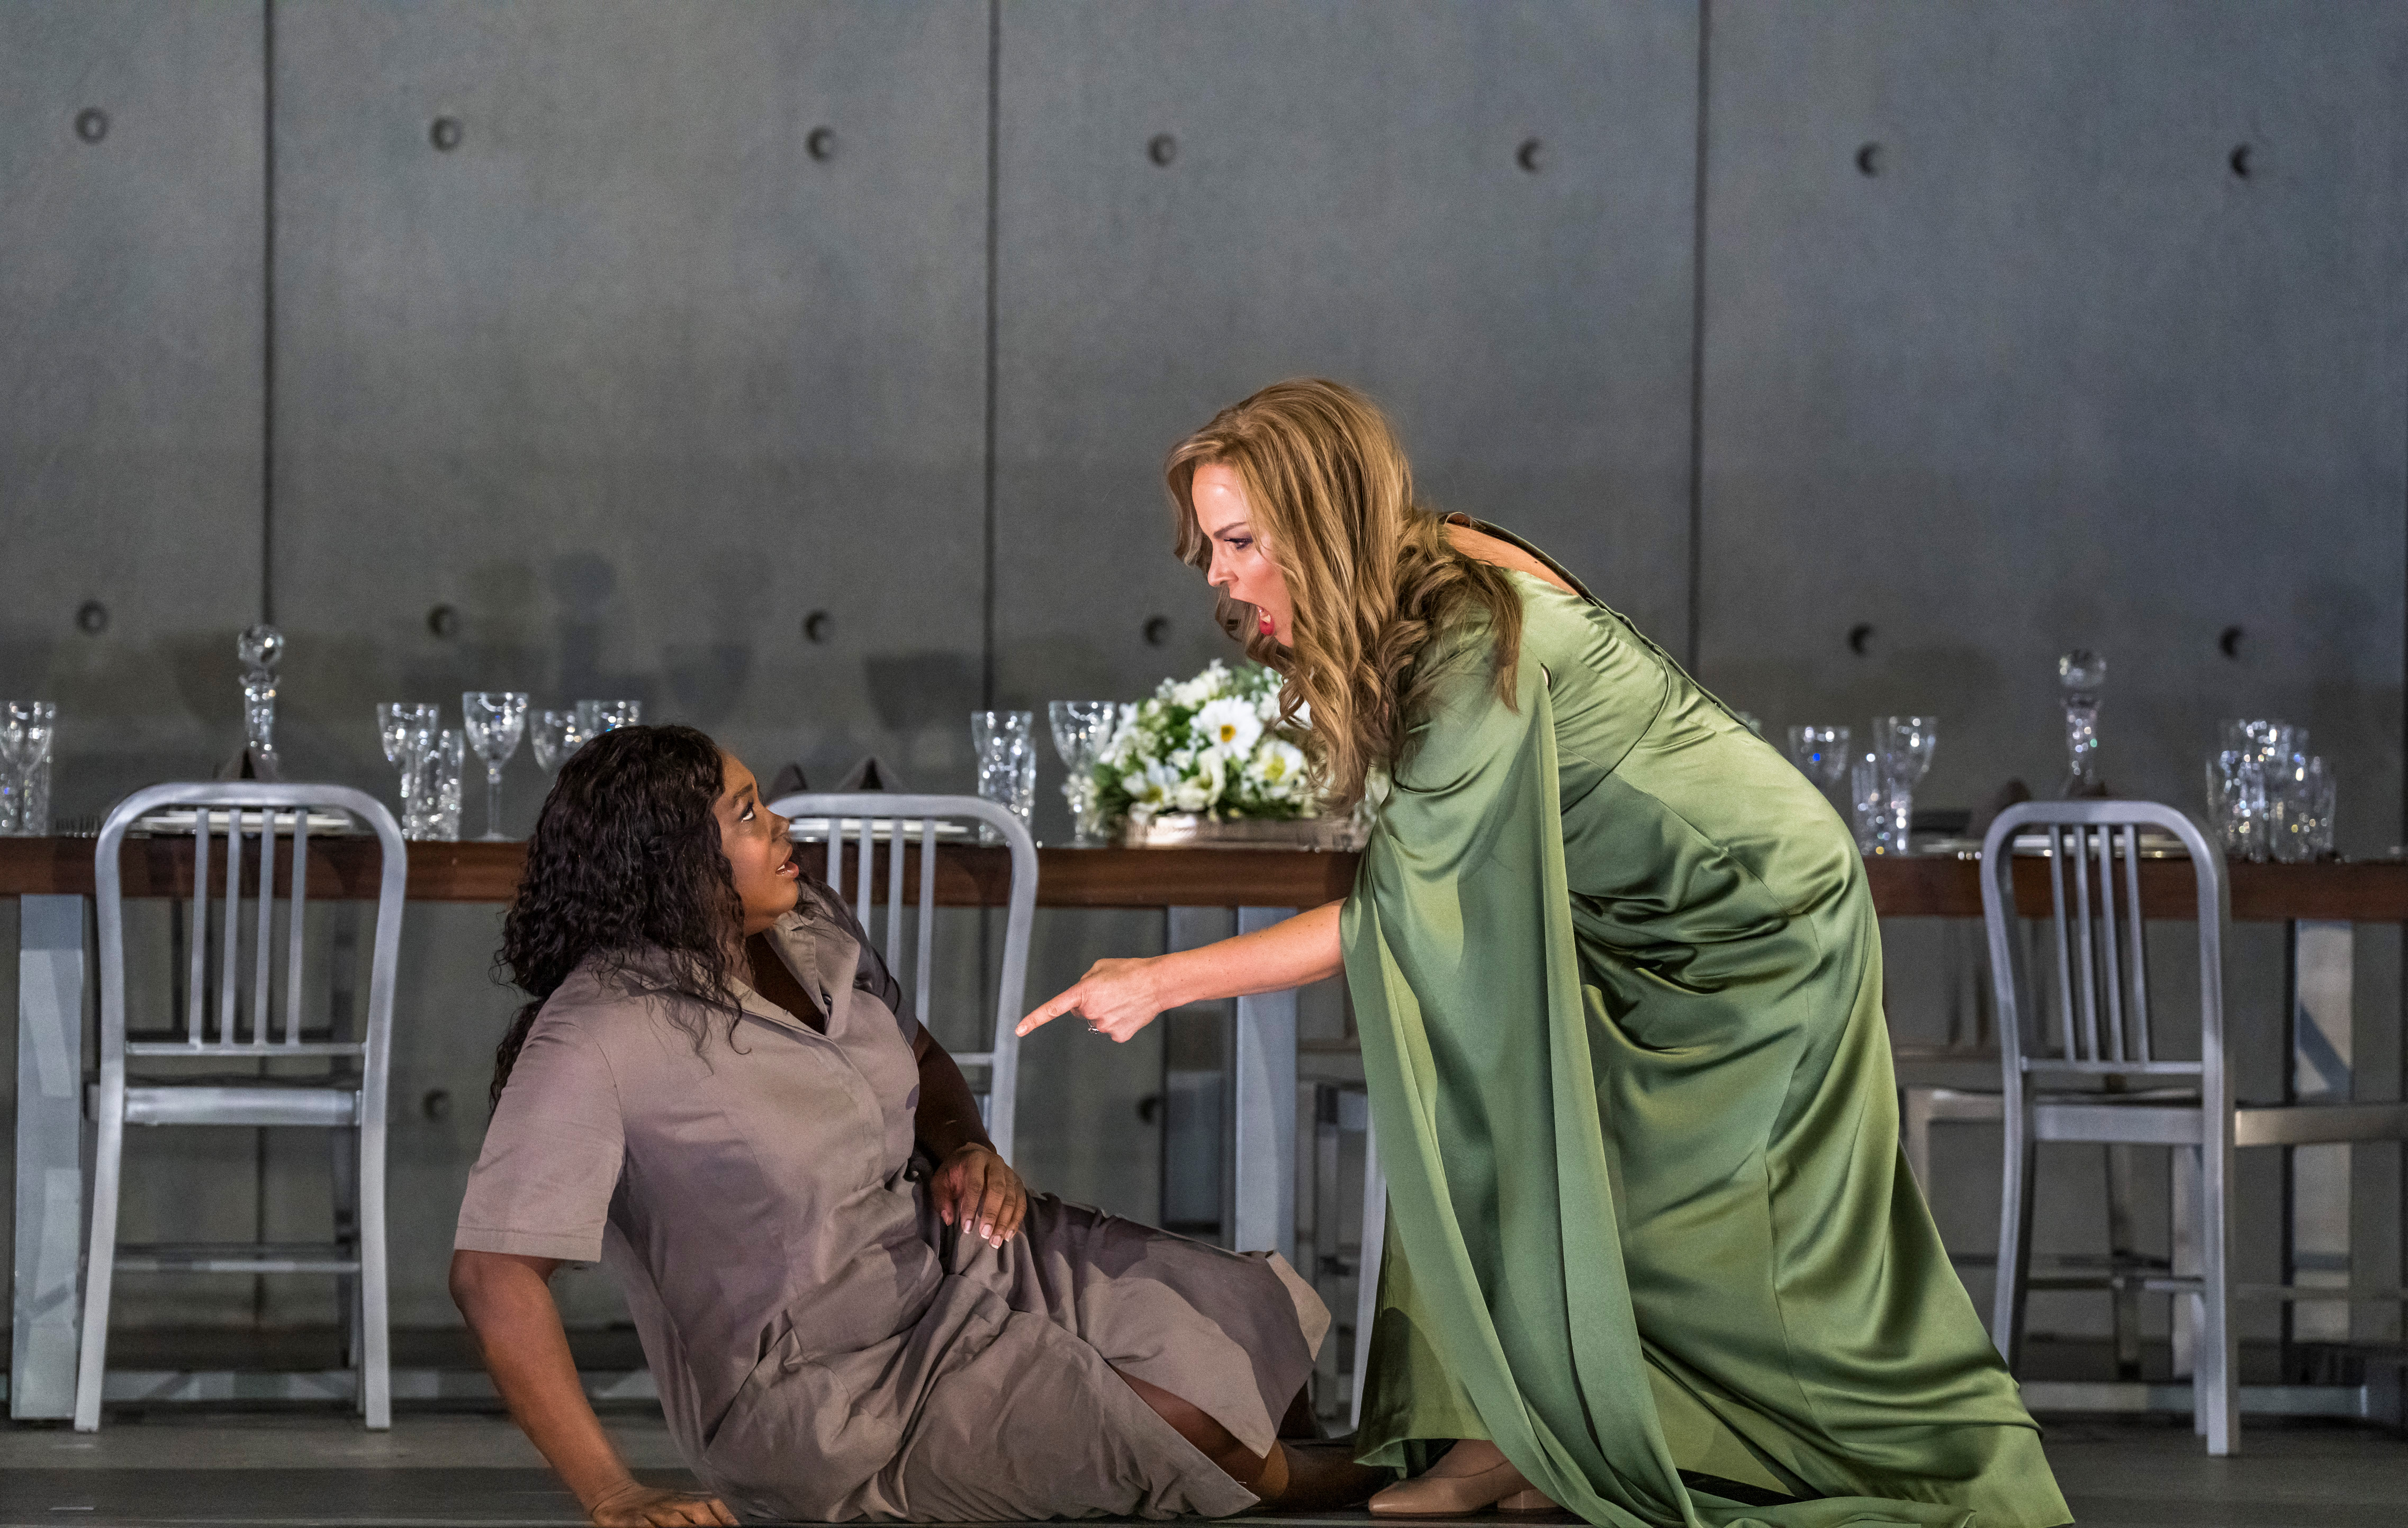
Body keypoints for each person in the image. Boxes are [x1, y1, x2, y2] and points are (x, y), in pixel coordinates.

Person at [1021, 380, 2072, 1528]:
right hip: (1627, 918)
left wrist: (1160, 979)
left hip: (1750, 916)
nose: (1219, 577)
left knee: (1719, 1225)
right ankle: (1511, 1438)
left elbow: (1397, 910)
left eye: (1239, 543)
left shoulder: (1466, 636)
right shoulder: (1416, 578)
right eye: (1209, 548)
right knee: (1499, 1111)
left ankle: (1915, 1454)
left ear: (1321, 522)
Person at [452, 724, 1383, 1524]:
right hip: (832, 1392)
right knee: (1187, 1422)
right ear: (673, 861)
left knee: (1239, 1315)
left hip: (960, 1260)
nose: (781, 825)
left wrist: (966, 1145)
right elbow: (493, 1274)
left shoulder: (808, 925)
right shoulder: (601, 1028)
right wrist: (612, 1491)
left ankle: (1324, 1466)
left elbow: (921, 1053)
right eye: (748, 815)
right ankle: (1369, 1480)